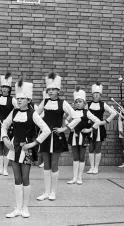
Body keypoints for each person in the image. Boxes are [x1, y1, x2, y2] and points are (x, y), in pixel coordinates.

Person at [1, 78, 50, 218]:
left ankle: (25, 207)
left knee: (25, 177)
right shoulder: (14, 112)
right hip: (14, 148)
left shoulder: (33, 113)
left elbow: (46, 130)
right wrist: (5, 138)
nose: (19, 100)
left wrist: (33, 143)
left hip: (26, 149)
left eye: (22, 98)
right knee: (17, 178)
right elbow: (4, 124)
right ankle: (17, 208)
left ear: (29, 100)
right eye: (18, 98)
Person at [36, 72, 79, 201]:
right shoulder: (44, 102)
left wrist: (65, 128)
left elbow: (77, 117)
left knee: (54, 164)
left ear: (58, 91)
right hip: (45, 137)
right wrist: (41, 125)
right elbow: (35, 116)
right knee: (46, 165)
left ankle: (53, 192)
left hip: (56, 137)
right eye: (49, 89)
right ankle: (46, 192)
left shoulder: (63, 103)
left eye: (53, 89)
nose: (50, 91)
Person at [67, 88, 101, 185]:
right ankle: (74, 177)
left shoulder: (87, 112)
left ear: (84, 103)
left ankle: (80, 177)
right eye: (76, 102)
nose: (78, 103)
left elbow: (97, 121)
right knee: (75, 156)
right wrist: (70, 128)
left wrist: (90, 129)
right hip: (74, 136)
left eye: (80, 102)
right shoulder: (72, 112)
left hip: (84, 137)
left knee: (81, 156)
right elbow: (66, 121)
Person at [87, 82, 116, 174]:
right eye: (94, 94)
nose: (96, 95)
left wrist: (106, 121)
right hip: (90, 128)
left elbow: (114, 113)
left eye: (98, 94)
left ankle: (96, 167)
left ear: (100, 95)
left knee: (98, 147)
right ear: (92, 95)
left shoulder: (103, 104)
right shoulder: (87, 104)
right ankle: (91, 167)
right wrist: (86, 121)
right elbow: (83, 113)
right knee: (91, 148)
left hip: (99, 128)